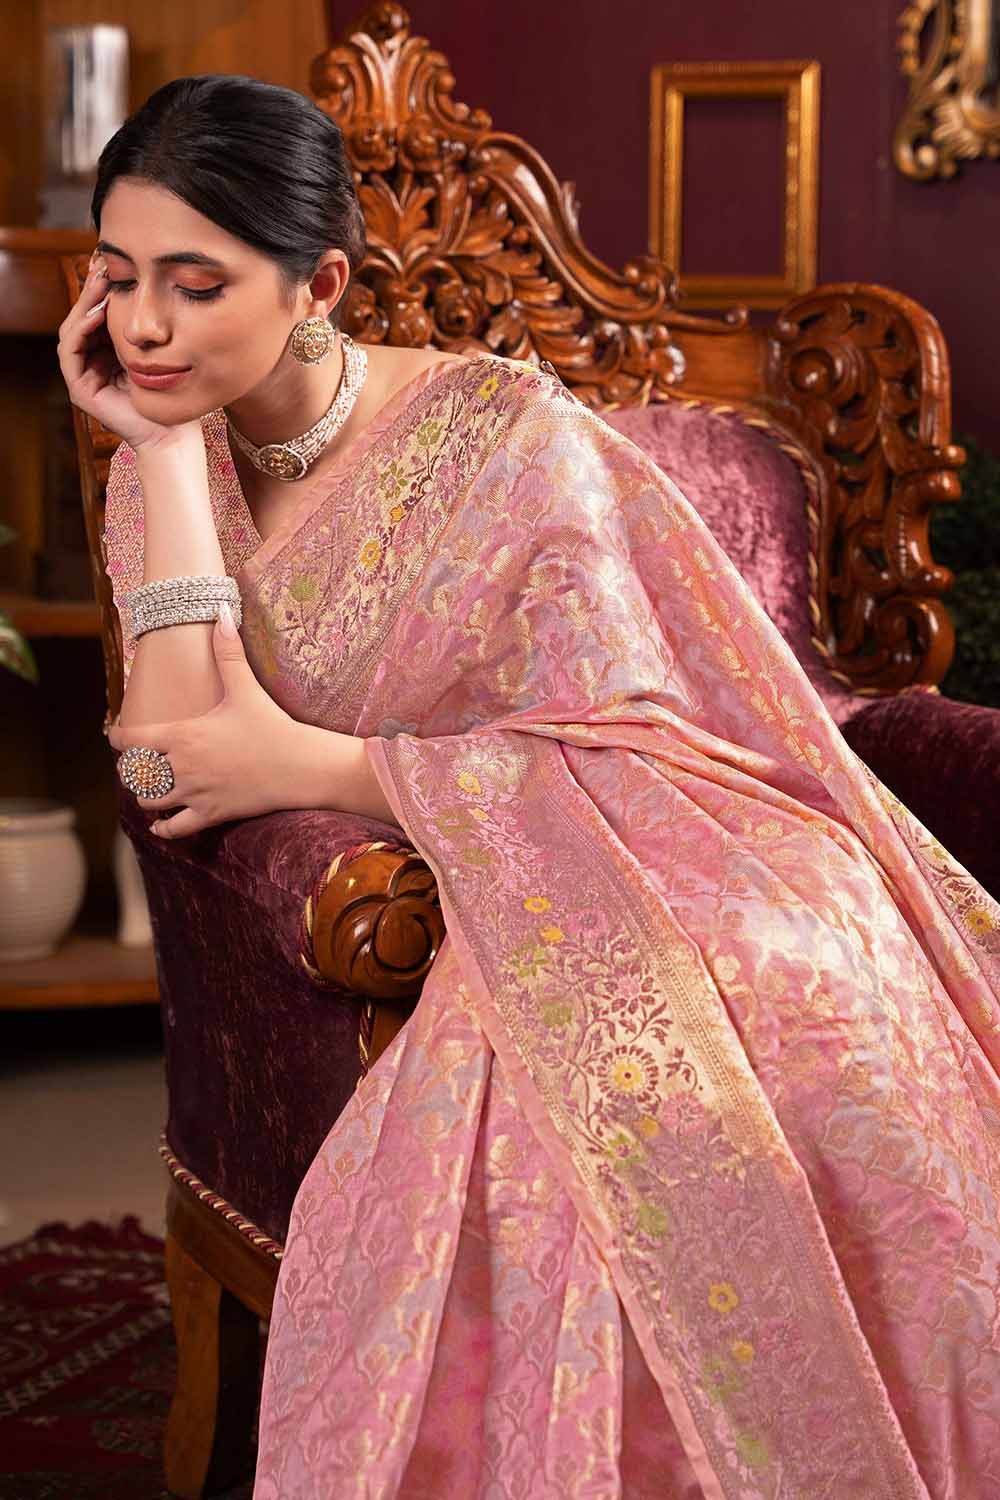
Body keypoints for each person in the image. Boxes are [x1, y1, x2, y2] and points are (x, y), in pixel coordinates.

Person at [59, 73, 1000, 1500]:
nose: (143, 327)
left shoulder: (499, 432)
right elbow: (169, 762)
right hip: (471, 895)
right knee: (558, 1128)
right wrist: (170, 456)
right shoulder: (160, 464)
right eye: (120, 277)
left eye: (196, 287)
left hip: (673, 858)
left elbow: (627, 737)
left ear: (319, 285)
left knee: (766, 1010)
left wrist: (319, 765)